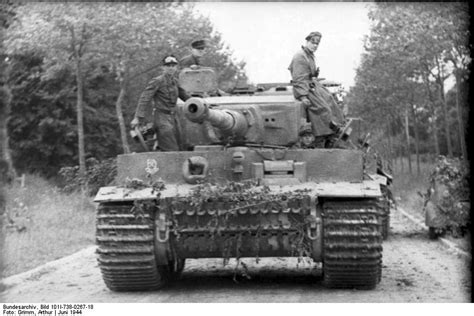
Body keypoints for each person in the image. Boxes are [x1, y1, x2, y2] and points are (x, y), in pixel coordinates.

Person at [288, 31, 345, 148]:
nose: (315, 46)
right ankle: (323, 136)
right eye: (313, 43)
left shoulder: (309, 55)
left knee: (330, 99)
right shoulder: (300, 57)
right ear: (307, 41)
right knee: (323, 109)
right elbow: (298, 79)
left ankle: (334, 129)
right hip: (303, 88)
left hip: (311, 85)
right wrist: (303, 96)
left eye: (317, 44)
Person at [131, 55, 190, 151]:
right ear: (163, 67)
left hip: (174, 118)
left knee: (181, 145)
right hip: (161, 118)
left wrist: (199, 103)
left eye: (173, 65)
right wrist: (137, 117)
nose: (171, 68)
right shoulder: (157, 81)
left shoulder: (175, 82)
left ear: (176, 67)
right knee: (171, 148)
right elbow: (144, 98)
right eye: (168, 66)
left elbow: (185, 96)